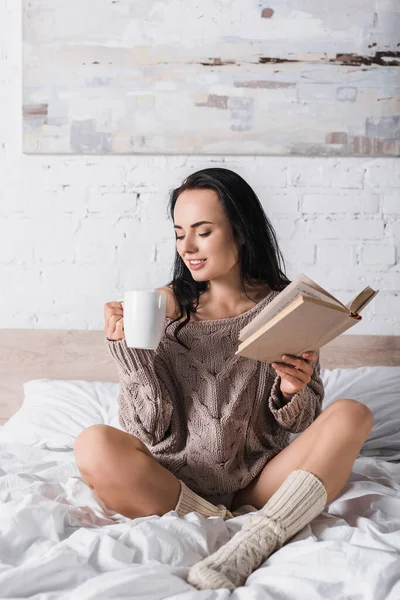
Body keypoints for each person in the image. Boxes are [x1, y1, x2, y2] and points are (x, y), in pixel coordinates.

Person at [74, 168, 374, 591]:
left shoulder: (287, 307)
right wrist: (133, 354)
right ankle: (216, 521)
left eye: (203, 231)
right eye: (180, 234)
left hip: (260, 483)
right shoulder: (161, 314)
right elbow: (146, 429)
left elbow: (301, 424)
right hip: (172, 487)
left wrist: (293, 389)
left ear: (241, 232)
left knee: (352, 413)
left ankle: (258, 537)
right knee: (93, 443)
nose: (188, 248)